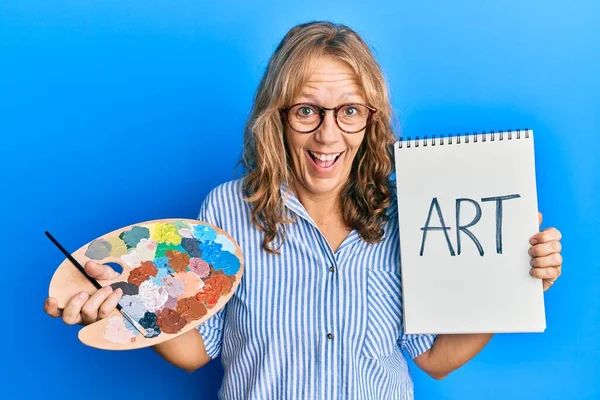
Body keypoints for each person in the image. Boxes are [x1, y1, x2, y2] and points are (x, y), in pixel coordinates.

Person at [44, 21, 563, 399]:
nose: (328, 133)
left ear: (371, 119)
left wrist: (513, 284)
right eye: (308, 110)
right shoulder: (227, 209)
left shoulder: (409, 213)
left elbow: (437, 359)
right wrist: (128, 311)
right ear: (278, 116)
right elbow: (195, 353)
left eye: (350, 111)